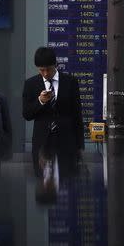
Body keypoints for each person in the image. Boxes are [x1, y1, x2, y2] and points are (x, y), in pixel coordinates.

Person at [22, 47, 84, 176]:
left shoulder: (70, 82)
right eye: (41, 70)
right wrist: (40, 101)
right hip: (41, 141)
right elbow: (27, 114)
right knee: (43, 184)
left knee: (67, 180)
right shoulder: (31, 84)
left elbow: (77, 114)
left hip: (66, 140)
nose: (45, 73)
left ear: (55, 65)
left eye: (48, 69)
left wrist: (79, 145)